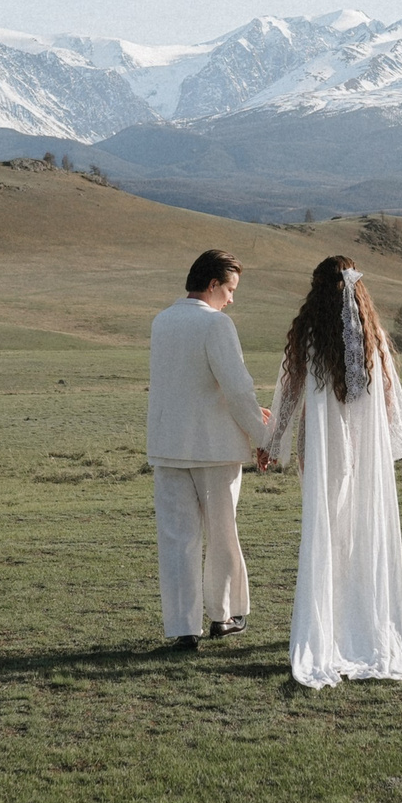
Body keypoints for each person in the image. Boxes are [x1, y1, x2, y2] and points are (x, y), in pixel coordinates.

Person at [267, 256, 402, 688]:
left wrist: (272, 441)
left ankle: (328, 623)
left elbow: (289, 392)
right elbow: (391, 398)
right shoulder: (372, 335)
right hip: (364, 449)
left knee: (326, 529)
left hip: (320, 448)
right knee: (362, 529)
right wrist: (384, 441)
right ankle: (361, 621)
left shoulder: (309, 333)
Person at [146, 249, 271, 650]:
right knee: (222, 534)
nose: (232, 298)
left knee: (177, 539)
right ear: (213, 284)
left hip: (168, 445)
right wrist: (263, 436)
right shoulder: (217, 325)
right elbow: (236, 389)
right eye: (230, 289)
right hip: (214, 448)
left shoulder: (161, 321)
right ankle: (222, 616)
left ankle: (184, 627)